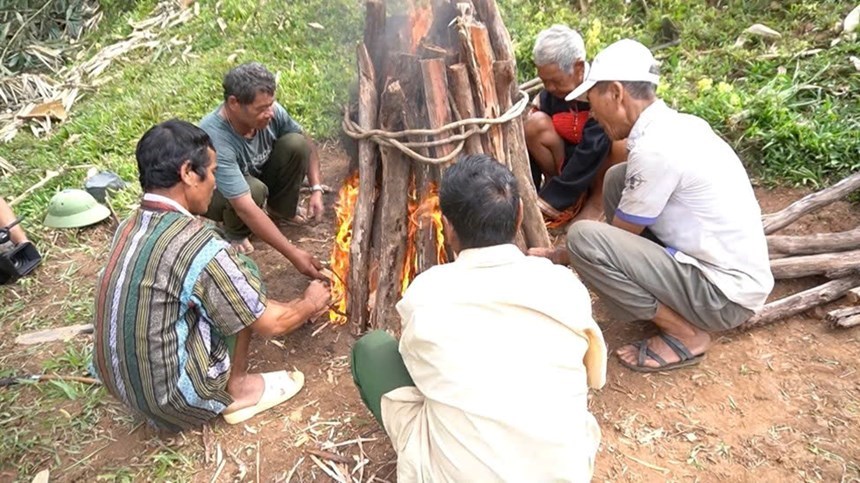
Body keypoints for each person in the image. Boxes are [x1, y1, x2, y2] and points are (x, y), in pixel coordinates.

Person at [350, 154, 607, 481]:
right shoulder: (563, 286)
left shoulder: (426, 293)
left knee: (373, 349)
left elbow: (420, 373)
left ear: (447, 226)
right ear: (519, 217)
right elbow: (594, 378)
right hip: (563, 474)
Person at [532, 39, 773, 372]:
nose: (592, 113)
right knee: (619, 178)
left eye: (592, 100)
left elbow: (614, 239)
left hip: (722, 298)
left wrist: (560, 256)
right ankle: (667, 301)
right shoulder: (678, 127)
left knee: (583, 239)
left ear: (616, 93)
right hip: (726, 276)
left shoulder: (655, 149)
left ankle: (686, 333)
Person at [91, 120, 332, 431]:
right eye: (213, 172)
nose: (215, 183)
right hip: (173, 402)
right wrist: (308, 303)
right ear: (189, 173)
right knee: (242, 272)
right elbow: (272, 324)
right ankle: (240, 390)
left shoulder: (130, 225)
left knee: (217, 282)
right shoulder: (199, 245)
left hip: (121, 387)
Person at [200, 62, 325, 279]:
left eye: (271, 104)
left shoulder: (272, 112)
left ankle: (281, 210)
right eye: (261, 109)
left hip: (254, 178)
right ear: (234, 103)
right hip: (219, 195)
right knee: (253, 190)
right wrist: (294, 254)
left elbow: (306, 141)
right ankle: (235, 233)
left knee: (295, 144)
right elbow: (245, 205)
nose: (270, 113)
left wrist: (316, 189)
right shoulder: (217, 137)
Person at [524, 25, 627, 223]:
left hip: (597, 165)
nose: (549, 88)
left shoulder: (601, 93)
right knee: (534, 123)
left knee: (621, 145)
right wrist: (534, 192)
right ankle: (564, 198)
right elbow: (530, 149)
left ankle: (596, 204)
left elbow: (591, 152)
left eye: (555, 81)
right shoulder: (551, 94)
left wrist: (548, 201)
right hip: (566, 167)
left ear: (578, 68)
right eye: (544, 81)